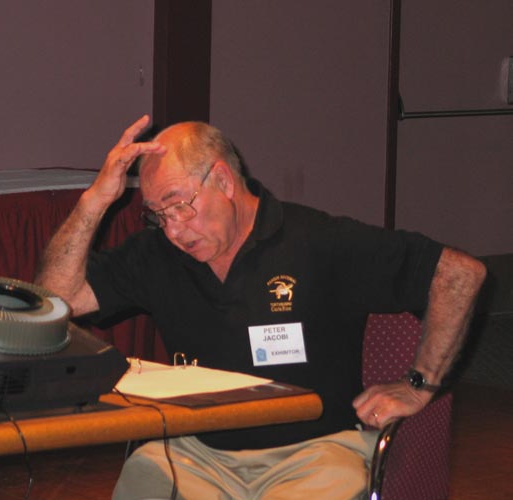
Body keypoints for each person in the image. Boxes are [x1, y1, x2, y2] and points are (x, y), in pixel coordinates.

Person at [36, 115, 486, 499]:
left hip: (315, 453)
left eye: (180, 206)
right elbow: (58, 301)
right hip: (196, 453)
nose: (173, 230)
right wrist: (95, 201)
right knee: (142, 476)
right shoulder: (155, 255)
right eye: (158, 214)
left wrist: (419, 384)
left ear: (224, 182)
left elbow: (460, 274)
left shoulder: (318, 242)